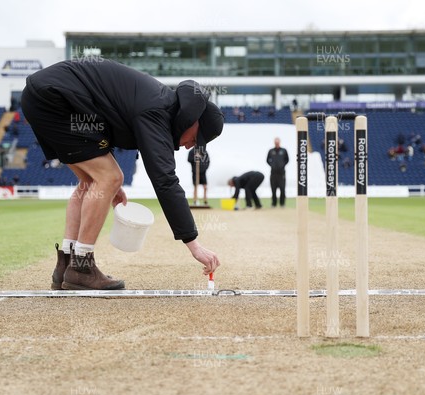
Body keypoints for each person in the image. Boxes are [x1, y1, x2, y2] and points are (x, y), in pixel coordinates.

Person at [21, 59, 224, 290]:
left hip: (45, 96)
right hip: (55, 98)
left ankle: (67, 263)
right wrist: (194, 244)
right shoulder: (158, 111)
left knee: (90, 181)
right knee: (110, 177)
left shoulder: (161, 104)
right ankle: (82, 266)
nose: (190, 146)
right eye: (197, 139)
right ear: (194, 121)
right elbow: (165, 181)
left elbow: (106, 120)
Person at [266, 137, 289, 207]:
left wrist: (282, 165)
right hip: (273, 173)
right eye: (275, 142)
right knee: (273, 189)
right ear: (274, 143)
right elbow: (267, 160)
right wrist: (272, 165)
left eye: (278, 142)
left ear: (279, 142)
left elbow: (287, 159)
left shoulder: (284, 150)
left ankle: (282, 203)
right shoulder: (271, 151)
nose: (277, 143)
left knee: (282, 189)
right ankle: (274, 203)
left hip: (281, 173)